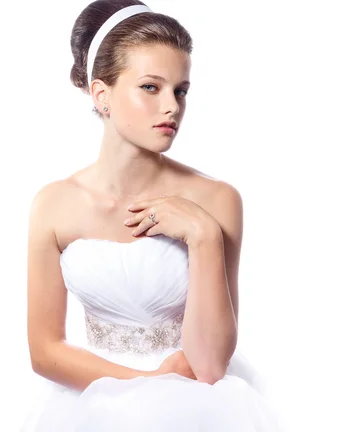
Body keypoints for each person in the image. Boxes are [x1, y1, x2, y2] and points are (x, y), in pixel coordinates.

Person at [21, 1, 282, 430]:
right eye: (150, 87)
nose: (172, 107)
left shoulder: (217, 199)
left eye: (181, 90)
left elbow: (212, 365)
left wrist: (202, 234)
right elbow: (45, 351)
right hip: (90, 403)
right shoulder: (53, 204)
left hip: (198, 406)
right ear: (101, 94)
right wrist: (145, 384)